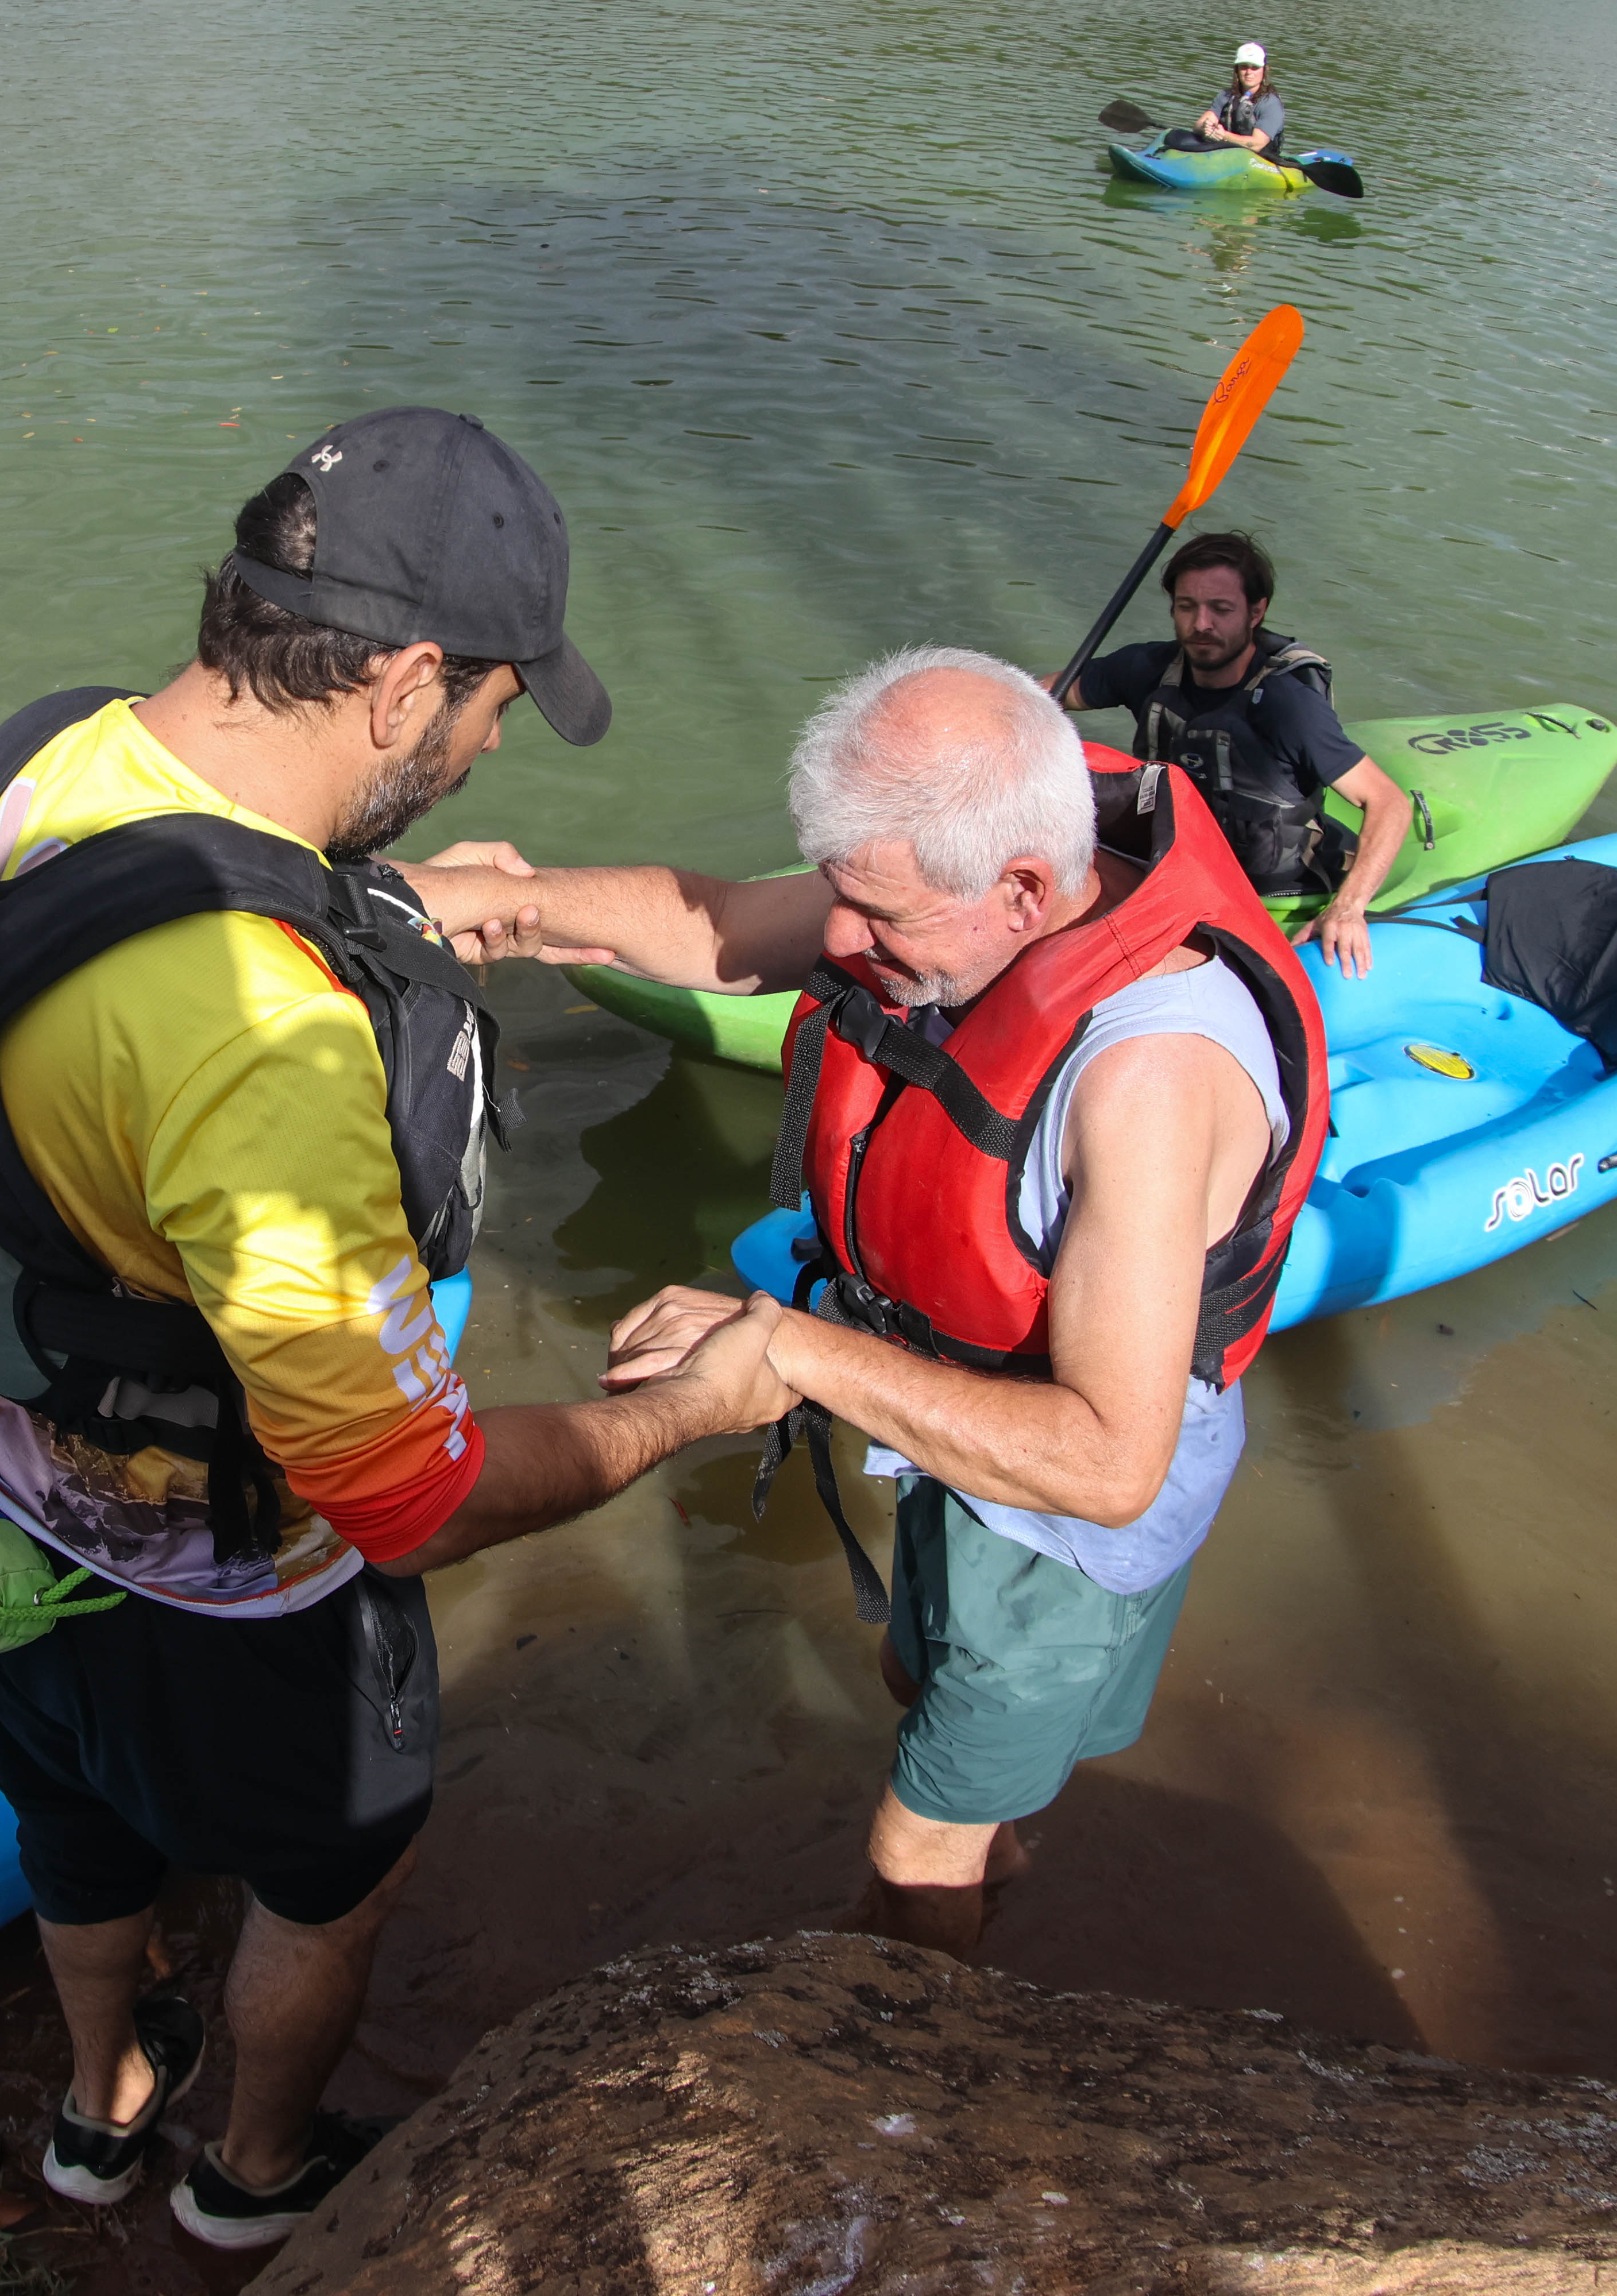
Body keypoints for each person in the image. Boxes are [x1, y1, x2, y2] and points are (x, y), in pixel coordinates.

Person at [0, 408, 799, 2251]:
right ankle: (250, 2173)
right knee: (331, 1873)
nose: (487, 745)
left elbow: (160, 942)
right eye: (493, 708)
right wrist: (692, 1409)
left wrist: (438, 905)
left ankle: (99, 2104)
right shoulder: (261, 1041)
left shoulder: (53, 752)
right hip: (218, 1580)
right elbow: (405, 1501)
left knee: (79, 1829)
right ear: (407, 681)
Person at [408, 649, 1326, 1959]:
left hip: (1067, 1511)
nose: (836, 941)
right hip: (948, 1404)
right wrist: (472, 900)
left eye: (875, 915)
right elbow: (721, 923)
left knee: (914, 1850)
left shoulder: (1150, 1079)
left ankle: (894, 2045)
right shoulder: (961, 879)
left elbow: (1110, 1458)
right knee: (914, 1681)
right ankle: (999, 1835)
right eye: (838, 891)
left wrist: (792, 1344)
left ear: (1020, 886)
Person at [1052, 529, 1409, 976]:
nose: (1202, 625)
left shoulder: (1288, 706)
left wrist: (1348, 909)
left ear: (1256, 612)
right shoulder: (1145, 669)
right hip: (1173, 872)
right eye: (1187, 608)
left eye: (1221, 609)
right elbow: (1038, 697)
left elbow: (1388, 803)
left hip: (1270, 893)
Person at [1171, 40, 1286, 160]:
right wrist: (1206, 127)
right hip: (1228, 154)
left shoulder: (1271, 104)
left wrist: (1224, 135)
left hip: (1260, 159)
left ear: (1264, 70)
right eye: (1244, 67)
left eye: (1255, 68)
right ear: (1237, 70)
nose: (1249, 72)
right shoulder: (1225, 96)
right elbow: (1198, 125)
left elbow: (1257, 144)